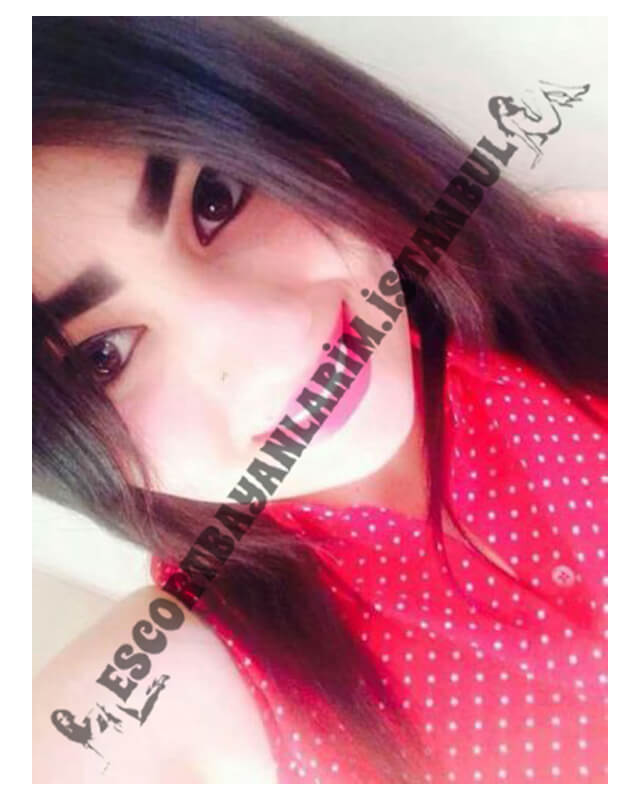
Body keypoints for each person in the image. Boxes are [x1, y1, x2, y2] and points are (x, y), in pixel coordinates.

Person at [32, 17, 608, 784]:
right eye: (103, 356)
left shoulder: (579, 268)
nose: (269, 345)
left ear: (309, 148)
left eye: (217, 199)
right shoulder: (183, 681)